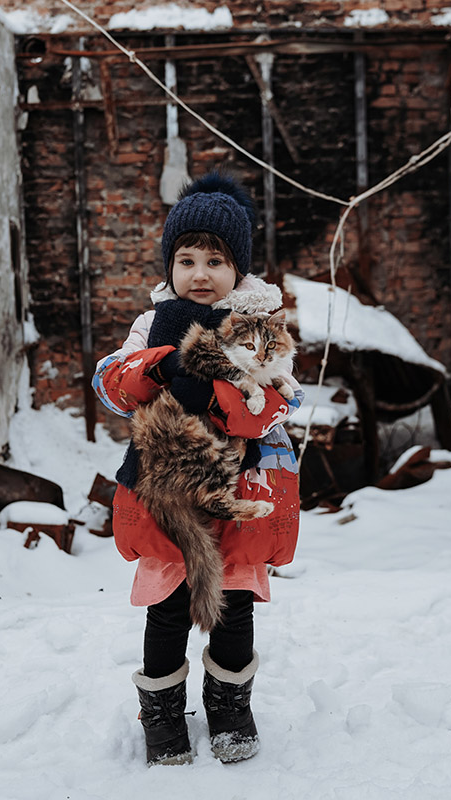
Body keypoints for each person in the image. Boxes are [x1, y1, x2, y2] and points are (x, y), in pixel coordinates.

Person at [92, 173, 303, 766]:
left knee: (233, 603)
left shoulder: (259, 322)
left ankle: (230, 709)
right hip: (167, 491)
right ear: (170, 266)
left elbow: (282, 395)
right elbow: (113, 383)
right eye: (187, 260)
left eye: (216, 260)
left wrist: (230, 399)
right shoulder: (151, 322)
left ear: (238, 269)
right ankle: (161, 716)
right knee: (167, 606)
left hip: (241, 488)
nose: (201, 273)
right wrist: (154, 366)